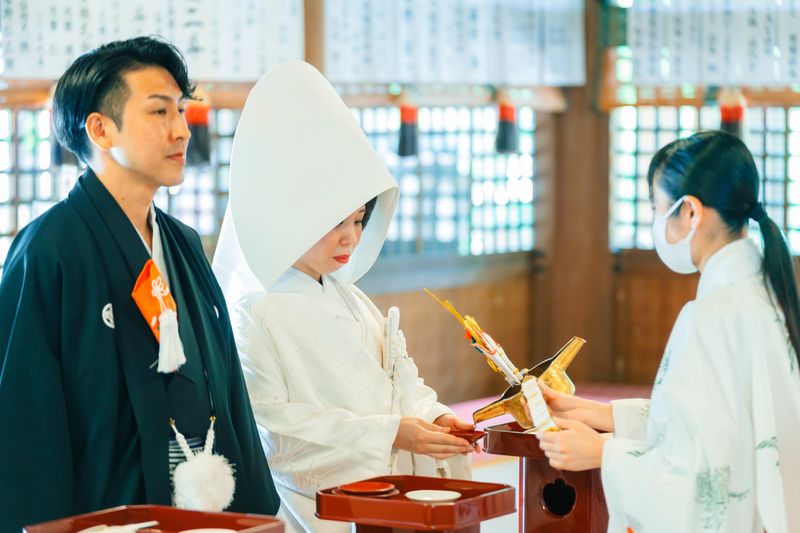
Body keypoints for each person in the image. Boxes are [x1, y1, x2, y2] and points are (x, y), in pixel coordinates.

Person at [0, 37, 280, 531]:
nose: (181, 129)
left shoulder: (183, 242)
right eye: (159, 111)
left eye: (181, 111)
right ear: (100, 129)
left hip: (200, 507)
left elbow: (224, 382)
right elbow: (26, 414)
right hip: (105, 514)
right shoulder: (49, 249)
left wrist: (252, 508)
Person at [212, 61, 474, 533]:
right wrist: (391, 433)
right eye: (335, 223)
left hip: (389, 489)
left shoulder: (351, 298)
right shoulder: (254, 312)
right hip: (316, 508)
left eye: (358, 221)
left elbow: (400, 386)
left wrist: (432, 419)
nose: (350, 238)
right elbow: (271, 428)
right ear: (293, 218)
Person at [536, 130, 800, 532]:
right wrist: (604, 415)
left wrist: (603, 453)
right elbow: (723, 429)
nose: (656, 222)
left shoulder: (711, 315)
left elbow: (699, 483)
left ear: (690, 212)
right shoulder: (767, 296)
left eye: (657, 208)